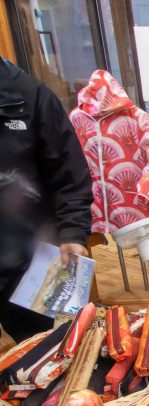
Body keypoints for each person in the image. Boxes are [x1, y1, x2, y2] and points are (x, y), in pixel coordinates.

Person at [0, 56, 93, 342]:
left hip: (31, 259)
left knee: (47, 350)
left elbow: (69, 172)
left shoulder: (28, 94)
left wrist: (73, 231)